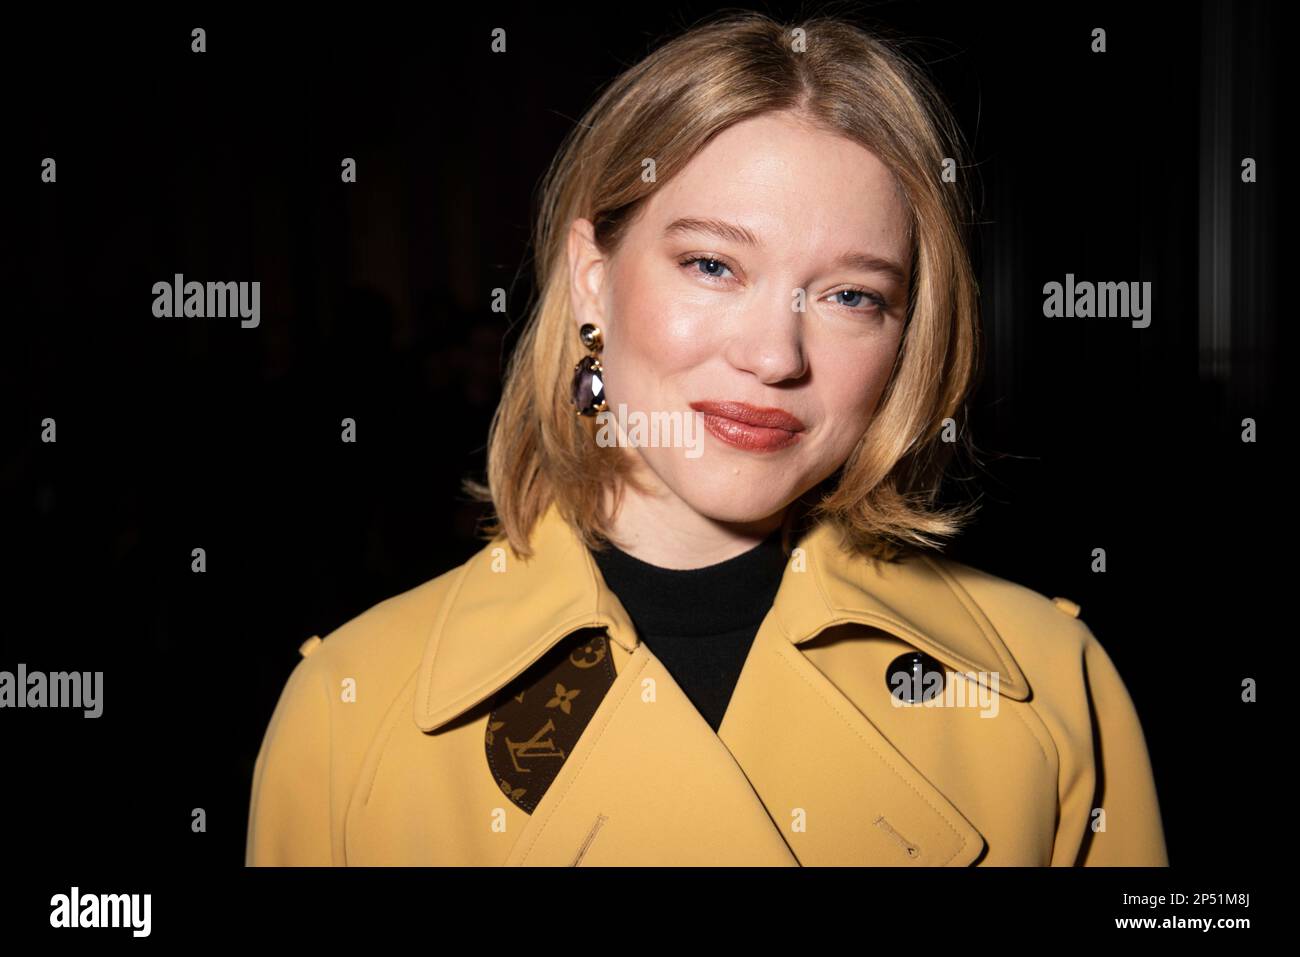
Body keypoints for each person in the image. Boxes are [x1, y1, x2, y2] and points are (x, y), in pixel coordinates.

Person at [245, 11, 1168, 866]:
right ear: (591, 278)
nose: (774, 356)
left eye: (853, 295)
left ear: (905, 337)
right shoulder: (349, 713)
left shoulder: (1050, 687)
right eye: (713, 264)